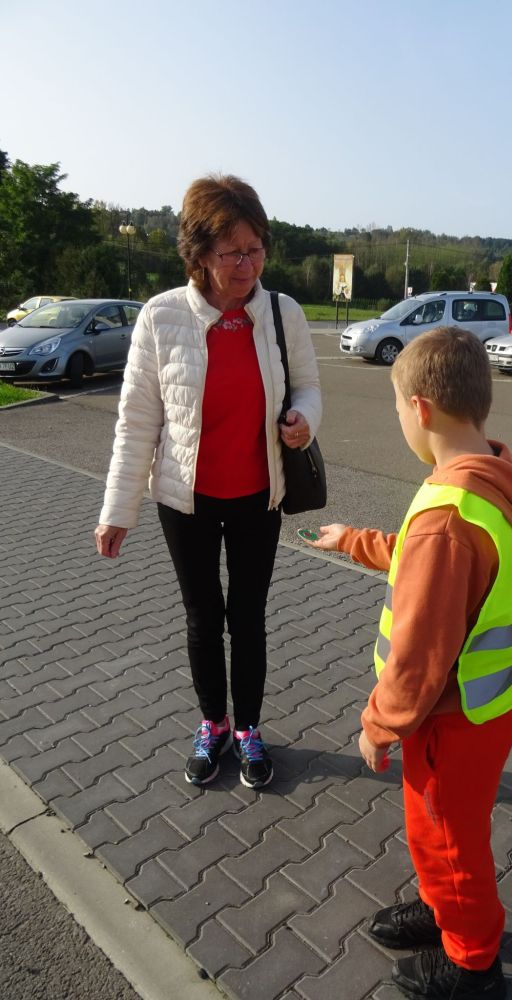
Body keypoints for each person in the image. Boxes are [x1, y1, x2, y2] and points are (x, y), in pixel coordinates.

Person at [303, 327, 512, 1000]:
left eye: (396, 406)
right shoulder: (486, 478)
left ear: (419, 408)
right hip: (486, 707)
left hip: (449, 716)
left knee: (448, 839)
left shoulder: (449, 514)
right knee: (443, 831)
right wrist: (354, 540)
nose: (398, 418)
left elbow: (419, 653)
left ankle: (473, 963)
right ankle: (439, 906)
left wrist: (377, 724)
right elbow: (428, 565)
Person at [94, 175, 322, 790]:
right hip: (184, 500)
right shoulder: (161, 316)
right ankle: (212, 722)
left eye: (255, 249)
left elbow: (308, 387)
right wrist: (117, 509)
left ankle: (247, 728)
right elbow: (136, 420)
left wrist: (305, 419)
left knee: (248, 617)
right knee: (202, 616)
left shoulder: (282, 312)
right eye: (232, 253)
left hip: (258, 495)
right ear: (198, 255)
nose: (247, 265)